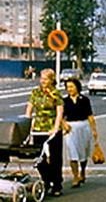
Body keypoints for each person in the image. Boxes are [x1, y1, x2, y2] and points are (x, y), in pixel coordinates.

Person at [26, 68, 64, 197]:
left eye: (46, 79)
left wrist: (55, 128)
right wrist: (26, 125)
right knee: (39, 158)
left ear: (51, 80)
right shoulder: (35, 93)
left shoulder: (56, 94)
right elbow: (29, 110)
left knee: (55, 158)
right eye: (41, 78)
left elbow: (59, 113)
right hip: (38, 129)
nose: (43, 81)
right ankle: (47, 180)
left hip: (52, 129)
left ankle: (57, 184)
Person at [61, 78, 97, 189]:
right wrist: (64, 124)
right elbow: (61, 116)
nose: (69, 89)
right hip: (70, 128)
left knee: (83, 153)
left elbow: (90, 116)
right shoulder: (64, 101)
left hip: (84, 127)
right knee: (73, 153)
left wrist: (94, 130)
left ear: (77, 87)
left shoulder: (84, 100)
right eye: (68, 87)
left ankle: (83, 172)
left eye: (72, 87)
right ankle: (75, 177)